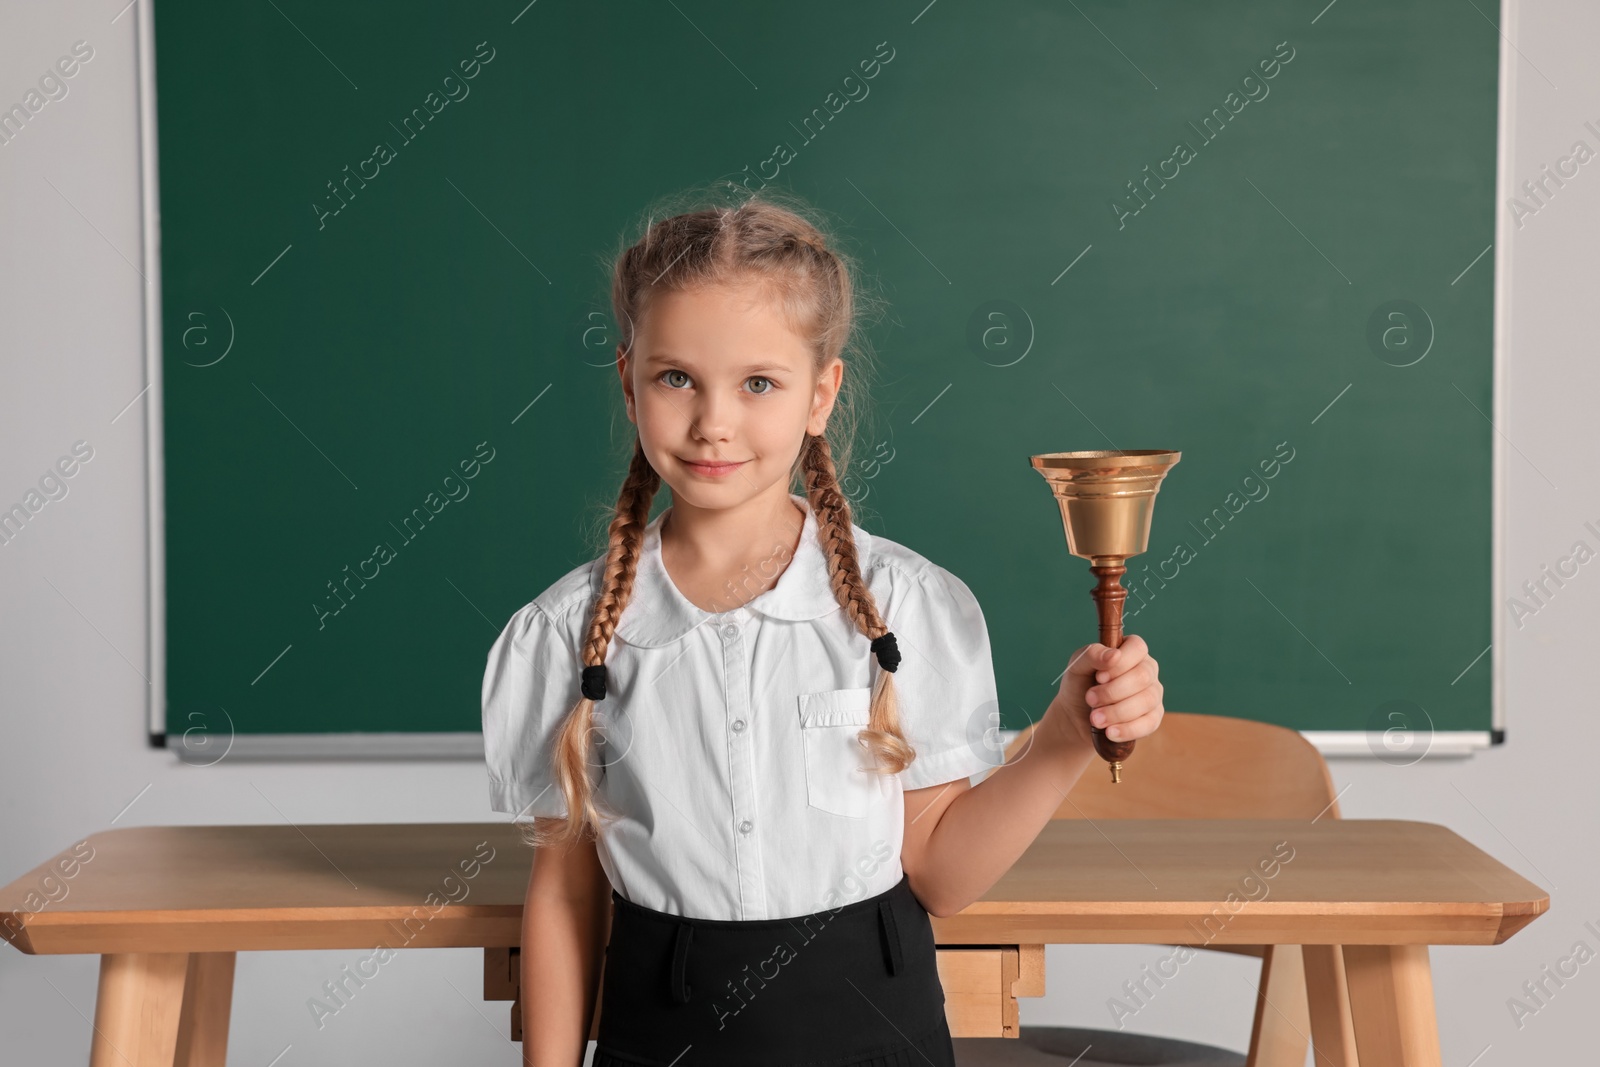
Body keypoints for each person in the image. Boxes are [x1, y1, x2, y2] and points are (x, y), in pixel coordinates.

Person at [481, 188, 1165, 1067]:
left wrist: (1068, 735)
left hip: (875, 1032)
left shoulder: (909, 607)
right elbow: (566, 895)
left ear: (821, 393)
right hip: (661, 1034)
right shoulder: (561, 634)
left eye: (758, 382)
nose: (713, 421)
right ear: (628, 382)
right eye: (675, 376)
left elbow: (940, 876)